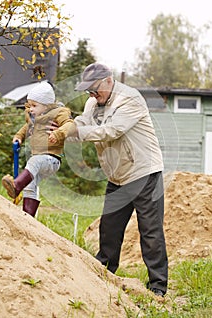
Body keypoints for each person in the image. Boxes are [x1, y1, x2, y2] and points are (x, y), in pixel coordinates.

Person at [69, 63, 168, 297]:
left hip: (144, 173)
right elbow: (84, 124)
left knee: (150, 232)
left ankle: (158, 286)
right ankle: (104, 273)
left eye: (95, 89)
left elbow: (111, 131)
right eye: (88, 91)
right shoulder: (92, 103)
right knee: (109, 228)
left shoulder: (130, 100)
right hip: (117, 176)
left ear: (109, 81)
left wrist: (76, 133)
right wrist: (64, 129)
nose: (93, 95)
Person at [2, 81, 75, 217]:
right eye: (29, 105)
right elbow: (26, 128)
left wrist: (58, 133)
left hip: (51, 159)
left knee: (34, 162)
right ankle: (28, 218)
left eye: (34, 106)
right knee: (30, 185)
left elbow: (70, 124)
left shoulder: (58, 113)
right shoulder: (34, 118)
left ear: (47, 106)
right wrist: (19, 137)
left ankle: (17, 186)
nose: (30, 109)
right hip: (39, 159)